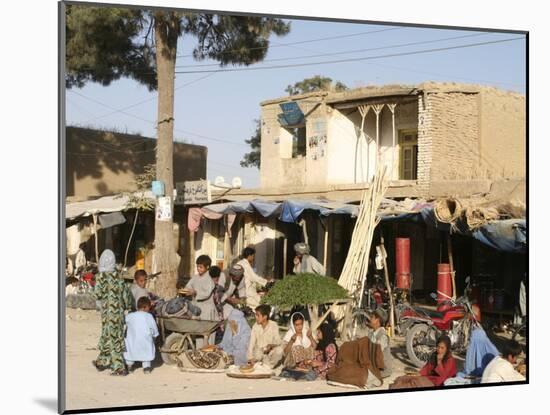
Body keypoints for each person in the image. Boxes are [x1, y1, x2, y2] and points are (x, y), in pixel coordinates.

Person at [92, 249, 134, 376]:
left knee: (112, 338)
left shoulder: (100, 277)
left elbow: (97, 294)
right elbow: (126, 296)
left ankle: (119, 367)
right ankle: (102, 361)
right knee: (108, 335)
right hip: (119, 314)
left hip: (107, 314)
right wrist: (127, 307)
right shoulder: (120, 278)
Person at [390, 335, 457, 389]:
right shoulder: (434, 355)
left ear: (447, 348)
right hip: (430, 377)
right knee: (404, 378)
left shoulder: (450, 360)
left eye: (442, 348)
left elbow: (443, 376)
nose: (439, 350)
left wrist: (439, 361)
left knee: (414, 382)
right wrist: (419, 374)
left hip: (438, 382)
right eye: (438, 347)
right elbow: (427, 368)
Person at [124, 296, 159, 374]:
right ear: (145, 307)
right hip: (145, 343)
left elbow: (124, 324)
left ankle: (129, 365)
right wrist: (155, 336)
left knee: (129, 349)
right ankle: (146, 367)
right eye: (149, 307)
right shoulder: (149, 316)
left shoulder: (130, 316)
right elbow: (154, 329)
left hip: (132, 342)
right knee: (147, 350)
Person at [280, 312, 317, 381]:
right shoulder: (289, 334)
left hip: (308, 363)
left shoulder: (306, 332)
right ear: (293, 325)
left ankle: (305, 370)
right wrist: (291, 341)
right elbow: (284, 353)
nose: (300, 327)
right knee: (298, 348)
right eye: (297, 325)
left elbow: (315, 347)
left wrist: (311, 337)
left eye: (301, 324)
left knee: (313, 350)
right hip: (293, 363)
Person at [247, 304, 283, 369]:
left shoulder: (273, 325)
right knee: (257, 352)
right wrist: (250, 358)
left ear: (265, 317)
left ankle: (269, 366)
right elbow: (251, 343)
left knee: (279, 350)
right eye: (256, 315)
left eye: (258, 315)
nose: (256, 317)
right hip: (259, 353)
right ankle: (260, 365)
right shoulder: (255, 326)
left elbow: (278, 341)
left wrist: (271, 345)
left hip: (269, 353)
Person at [366, 308, 393, 379]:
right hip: (373, 364)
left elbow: (376, 353)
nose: (370, 319)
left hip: (383, 369)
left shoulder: (383, 336)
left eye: (372, 317)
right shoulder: (371, 333)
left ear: (377, 320)